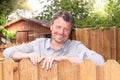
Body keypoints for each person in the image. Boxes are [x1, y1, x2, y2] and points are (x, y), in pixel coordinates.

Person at [3, 11, 104, 70]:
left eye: (66, 29)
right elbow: (7, 52)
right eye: (58, 27)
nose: (61, 32)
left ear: (70, 31)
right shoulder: (38, 44)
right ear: (51, 27)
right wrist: (27, 55)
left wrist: (63, 58)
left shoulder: (76, 46)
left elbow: (100, 61)